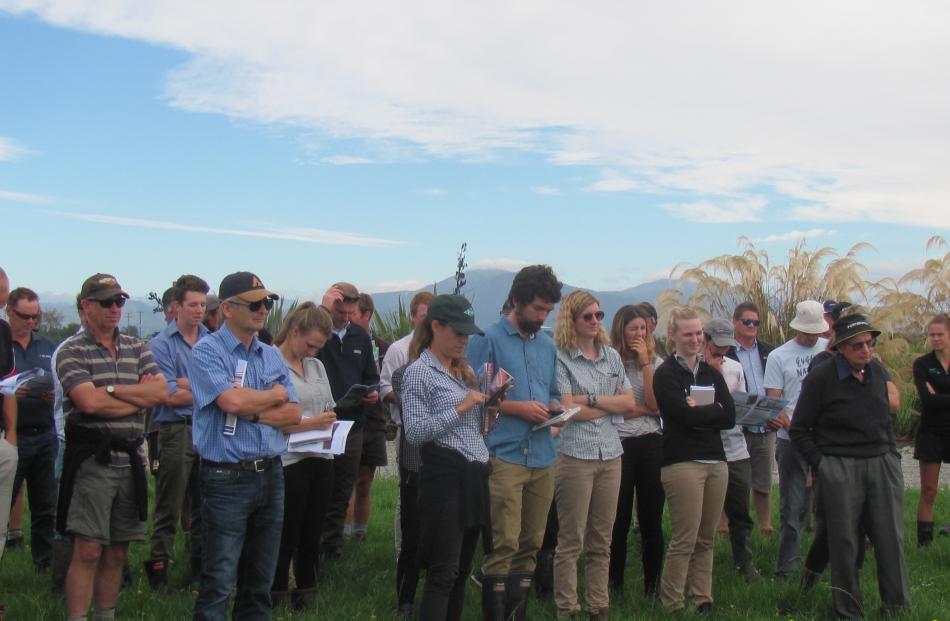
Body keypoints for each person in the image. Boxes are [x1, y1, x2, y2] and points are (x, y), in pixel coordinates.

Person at [189, 271, 302, 620]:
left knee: (260, 582)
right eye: (254, 303)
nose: (263, 309)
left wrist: (256, 407)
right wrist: (274, 396)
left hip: (270, 472)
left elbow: (295, 414)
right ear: (226, 308)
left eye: (267, 302)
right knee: (219, 581)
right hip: (226, 478)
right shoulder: (206, 351)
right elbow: (231, 404)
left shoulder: (270, 355)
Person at [56, 273, 168, 621]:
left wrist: (109, 391)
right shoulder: (71, 350)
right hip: (92, 461)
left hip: (130, 457)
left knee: (118, 551)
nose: (115, 308)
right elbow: (87, 403)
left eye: (119, 301)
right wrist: (134, 395)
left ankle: (106, 615)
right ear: (85, 307)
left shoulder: (137, 347)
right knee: (88, 549)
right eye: (106, 302)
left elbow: (160, 393)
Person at [790, 314, 911, 619]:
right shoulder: (821, 377)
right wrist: (823, 464)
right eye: (858, 345)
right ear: (841, 347)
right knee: (844, 542)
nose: (867, 350)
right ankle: (847, 610)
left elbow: (887, 412)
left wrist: (891, 453)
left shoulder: (876, 370)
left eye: (870, 343)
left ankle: (896, 607)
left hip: (881, 461)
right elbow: (799, 428)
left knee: (890, 537)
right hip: (840, 464)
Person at [466, 264, 562, 620]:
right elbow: (472, 398)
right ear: (516, 302)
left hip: (543, 455)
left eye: (548, 310)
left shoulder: (547, 345)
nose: (542, 316)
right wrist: (519, 407)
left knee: (532, 543)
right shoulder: (486, 340)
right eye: (538, 309)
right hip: (504, 454)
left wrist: (555, 411)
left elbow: (553, 393)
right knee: (503, 543)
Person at [401, 294, 490, 621]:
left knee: (461, 570)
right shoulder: (418, 373)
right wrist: (461, 407)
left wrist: (489, 411)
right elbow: (415, 431)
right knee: (444, 572)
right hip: (445, 481)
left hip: (474, 476)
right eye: (458, 332)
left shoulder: (462, 371)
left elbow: (475, 434)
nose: (464, 340)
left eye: (468, 334)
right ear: (436, 326)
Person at [552, 290, 636, 620]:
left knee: (603, 537)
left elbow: (629, 403)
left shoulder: (612, 357)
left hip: (611, 453)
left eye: (599, 315)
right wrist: (602, 402)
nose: (595, 322)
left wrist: (590, 400)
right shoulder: (561, 357)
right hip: (575, 454)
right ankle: (567, 607)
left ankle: (598, 605)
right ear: (571, 320)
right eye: (588, 316)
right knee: (571, 538)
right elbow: (566, 409)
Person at [653, 307, 735, 613]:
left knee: (706, 537)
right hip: (682, 462)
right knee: (685, 538)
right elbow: (681, 415)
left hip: (716, 461)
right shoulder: (666, 375)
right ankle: (672, 602)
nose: (695, 339)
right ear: (673, 335)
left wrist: (703, 410)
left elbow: (729, 416)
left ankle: (702, 598)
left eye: (699, 333)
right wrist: (709, 409)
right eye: (688, 334)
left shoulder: (711, 372)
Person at [143, 275, 210, 589]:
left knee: (204, 503)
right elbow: (167, 395)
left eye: (203, 304)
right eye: (193, 304)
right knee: (170, 503)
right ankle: (159, 569)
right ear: (177, 307)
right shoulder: (161, 344)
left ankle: (199, 567)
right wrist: (207, 389)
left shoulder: (211, 339)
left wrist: (187, 385)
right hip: (176, 429)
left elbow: (228, 387)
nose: (199, 310)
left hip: (206, 429)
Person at [271, 302, 338, 610]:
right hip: (289, 459)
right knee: (288, 529)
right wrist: (313, 423)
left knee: (314, 528)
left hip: (320, 456)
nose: (313, 352)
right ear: (294, 331)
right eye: (310, 345)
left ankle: (307, 588)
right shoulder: (271, 362)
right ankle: (278, 590)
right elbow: (275, 418)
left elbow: (326, 405)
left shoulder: (317, 366)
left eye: (319, 347)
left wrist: (329, 420)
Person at [764, 300, 828, 578]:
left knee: (827, 505)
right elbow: (774, 402)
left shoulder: (829, 351)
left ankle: (822, 562)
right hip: (791, 439)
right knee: (793, 505)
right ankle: (787, 567)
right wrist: (797, 431)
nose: (812, 336)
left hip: (825, 438)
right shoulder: (779, 356)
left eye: (816, 331)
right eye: (808, 331)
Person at [316, 282, 380, 560]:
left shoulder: (360, 338)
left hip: (352, 423)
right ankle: (312, 544)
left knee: (344, 486)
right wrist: (323, 312)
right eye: (339, 312)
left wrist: (372, 393)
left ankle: (332, 548)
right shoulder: (318, 334)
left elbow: (370, 375)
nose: (344, 318)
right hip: (320, 422)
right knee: (320, 484)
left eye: (349, 313)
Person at [379, 290, 433, 619]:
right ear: (414, 315)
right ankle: (406, 590)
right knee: (409, 506)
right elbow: (386, 386)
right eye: (424, 316)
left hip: (441, 449)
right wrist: (405, 402)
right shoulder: (400, 352)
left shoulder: (455, 361)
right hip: (411, 439)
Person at [607, 304, 665, 597]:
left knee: (652, 518)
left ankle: (652, 587)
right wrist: (639, 409)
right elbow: (614, 410)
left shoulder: (656, 362)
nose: (640, 334)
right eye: (634, 329)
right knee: (617, 518)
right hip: (619, 443)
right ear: (622, 330)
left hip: (651, 441)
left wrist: (645, 365)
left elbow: (656, 406)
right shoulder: (609, 361)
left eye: (643, 328)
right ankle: (613, 585)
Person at [4, 288, 57, 573]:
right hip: (12, 436)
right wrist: (10, 394)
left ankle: (44, 565)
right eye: (24, 316)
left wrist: (53, 395)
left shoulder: (47, 345)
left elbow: (60, 381)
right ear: (9, 311)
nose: (29, 322)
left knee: (45, 506)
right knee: (4, 504)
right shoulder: (3, 346)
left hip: (45, 433)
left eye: (34, 316)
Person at [703, 318, 758, 581]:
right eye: (717, 346)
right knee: (704, 515)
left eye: (726, 347)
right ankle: (703, 567)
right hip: (707, 448)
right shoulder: (695, 369)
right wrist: (713, 374)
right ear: (705, 340)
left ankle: (745, 562)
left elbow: (741, 402)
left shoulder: (736, 367)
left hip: (736, 447)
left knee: (740, 510)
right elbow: (699, 409)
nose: (722, 352)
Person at [727, 301, 777, 536]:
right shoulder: (725, 350)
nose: (752, 326)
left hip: (764, 425)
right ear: (735, 323)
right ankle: (724, 527)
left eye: (755, 322)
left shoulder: (768, 351)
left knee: (763, 479)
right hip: (735, 426)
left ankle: (765, 526)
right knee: (732, 479)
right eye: (747, 321)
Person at [344, 292, 390, 543]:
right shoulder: (341, 343)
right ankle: (342, 535)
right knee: (345, 482)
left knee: (365, 480)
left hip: (374, 421)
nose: (348, 320)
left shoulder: (383, 347)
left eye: (353, 315)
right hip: (348, 421)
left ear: (366, 315)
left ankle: (360, 535)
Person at [913, 313, 950, 546]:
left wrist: (940, 396)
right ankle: (924, 543)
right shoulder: (923, 364)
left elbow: (936, 398)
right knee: (928, 490)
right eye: (932, 335)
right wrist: (934, 397)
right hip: (931, 431)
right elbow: (927, 400)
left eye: (940, 334)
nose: (935, 339)